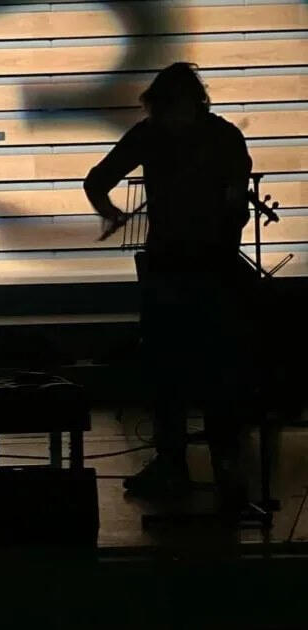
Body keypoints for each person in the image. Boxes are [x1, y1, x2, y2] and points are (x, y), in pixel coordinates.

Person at [83, 62, 255, 512]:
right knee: (216, 370)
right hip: (212, 268)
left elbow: (96, 181)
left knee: (167, 370)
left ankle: (173, 465)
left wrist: (112, 213)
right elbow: (237, 206)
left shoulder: (151, 134)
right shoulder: (225, 137)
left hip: (169, 269)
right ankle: (225, 466)